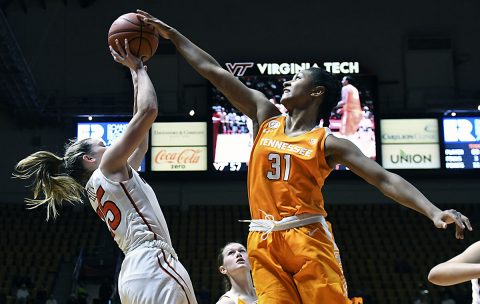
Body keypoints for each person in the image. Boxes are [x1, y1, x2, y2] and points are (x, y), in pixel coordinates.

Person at [136, 9, 472, 303]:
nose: (286, 81)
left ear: (316, 92)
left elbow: (384, 178)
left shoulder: (327, 141)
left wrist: (433, 211)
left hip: (307, 236)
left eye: (296, 79)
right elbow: (213, 71)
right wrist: (173, 36)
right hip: (263, 238)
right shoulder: (264, 115)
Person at [13, 39, 196, 304]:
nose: (109, 146)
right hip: (154, 262)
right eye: (103, 144)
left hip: (132, 275)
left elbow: (141, 141)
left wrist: (135, 74)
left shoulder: (99, 185)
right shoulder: (108, 166)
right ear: (89, 158)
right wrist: (141, 70)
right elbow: (149, 111)